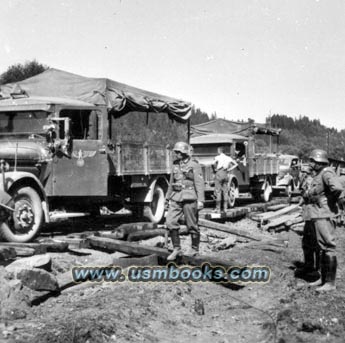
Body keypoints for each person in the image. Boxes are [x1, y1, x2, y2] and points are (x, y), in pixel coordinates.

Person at [301, 149, 345, 292]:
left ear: (320, 162)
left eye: (313, 161)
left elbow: (337, 188)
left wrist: (327, 201)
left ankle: (330, 283)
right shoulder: (319, 174)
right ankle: (324, 278)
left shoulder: (326, 172)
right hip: (318, 213)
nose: (311, 163)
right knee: (321, 247)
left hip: (324, 214)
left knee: (328, 246)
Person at [165, 141, 205, 260]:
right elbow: (171, 182)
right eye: (176, 152)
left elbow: (199, 183)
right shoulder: (175, 164)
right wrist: (167, 198)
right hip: (176, 196)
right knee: (170, 221)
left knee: (192, 224)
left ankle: (194, 249)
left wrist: (201, 200)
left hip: (190, 196)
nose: (176, 154)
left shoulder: (194, 165)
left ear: (185, 152)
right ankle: (177, 248)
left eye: (178, 152)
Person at [295, 164, 319, 278]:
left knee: (314, 243)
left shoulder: (312, 181)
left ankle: (315, 269)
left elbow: (307, 196)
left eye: (304, 172)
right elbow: (304, 197)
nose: (302, 174)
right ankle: (310, 266)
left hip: (314, 216)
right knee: (307, 242)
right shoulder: (311, 180)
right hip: (310, 215)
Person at [212, 146, 238, 213]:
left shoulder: (217, 157)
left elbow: (213, 163)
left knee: (218, 192)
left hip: (219, 173)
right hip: (225, 173)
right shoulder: (228, 158)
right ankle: (225, 208)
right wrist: (229, 169)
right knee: (225, 192)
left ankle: (218, 209)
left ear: (219, 151)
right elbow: (236, 164)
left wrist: (214, 169)